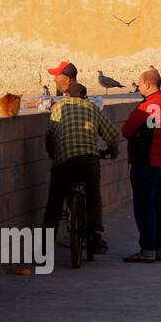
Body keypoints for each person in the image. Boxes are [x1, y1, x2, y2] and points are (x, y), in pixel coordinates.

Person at [42, 78, 119, 256]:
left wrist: (53, 154)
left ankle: (43, 250)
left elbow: (50, 136)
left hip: (64, 161)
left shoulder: (59, 108)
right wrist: (112, 151)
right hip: (89, 160)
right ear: (85, 96)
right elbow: (112, 134)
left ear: (67, 95)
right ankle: (96, 237)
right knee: (93, 196)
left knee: (54, 203)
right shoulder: (92, 108)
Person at [120, 68, 161, 264]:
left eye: (139, 84)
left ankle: (147, 249)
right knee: (160, 207)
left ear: (147, 85)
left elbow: (127, 130)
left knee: (145, 207)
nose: (138, 87)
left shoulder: (148, 106)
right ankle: (160, 248)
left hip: (144, 162)